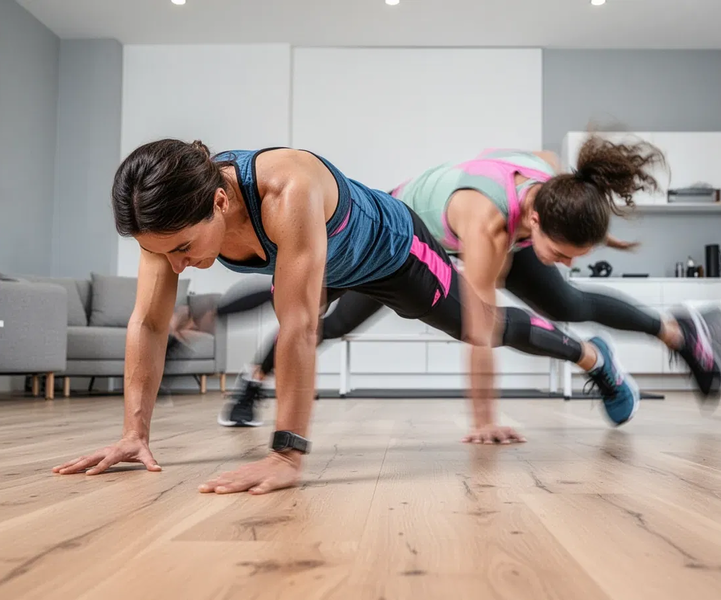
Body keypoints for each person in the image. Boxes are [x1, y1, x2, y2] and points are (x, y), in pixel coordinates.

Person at [53, 138, 643, 495]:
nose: (175, 264)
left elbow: (299, 325)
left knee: (480, 324)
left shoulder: (287, 190)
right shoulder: (160, 220)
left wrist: (286, 454)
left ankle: (592, 355)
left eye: (182, 247)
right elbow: (150, 323)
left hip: (393, 252)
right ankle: (246, 392)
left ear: (221, 200)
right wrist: (135, 433)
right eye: (161, 252)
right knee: (296, 312)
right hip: (326, 262)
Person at [221, 139, 721, 439]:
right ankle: (254, 379)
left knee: (568, 300)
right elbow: (478, 326)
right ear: (534, 216)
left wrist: (562, 243)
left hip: (497, 230)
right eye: (564, 251)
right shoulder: (486, 223)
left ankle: (678, 333)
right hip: (397, 242)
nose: (571, 261)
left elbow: (538, 155)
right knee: (324, 317)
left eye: (578, 254)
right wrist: (486, 419)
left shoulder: (557, 187)